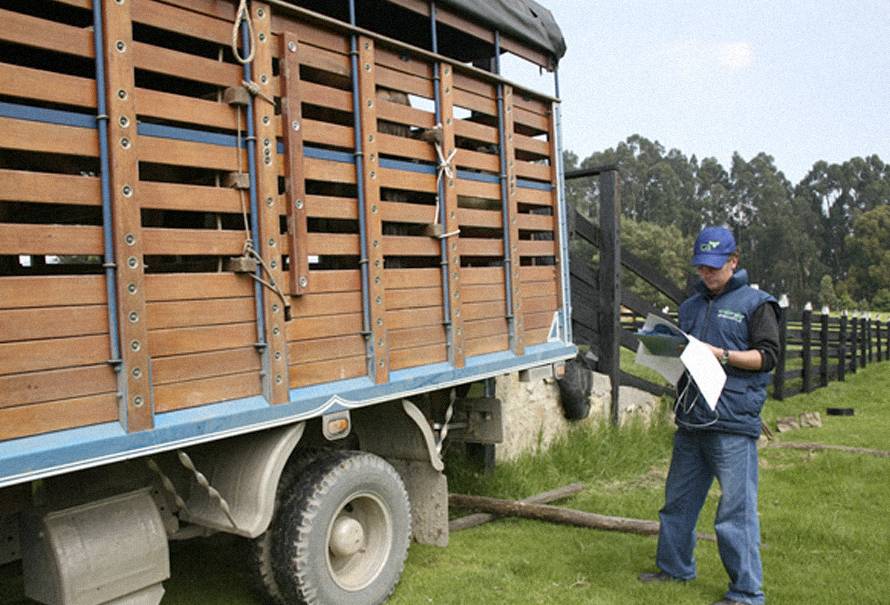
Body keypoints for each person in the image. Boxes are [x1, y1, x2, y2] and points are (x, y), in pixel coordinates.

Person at [639, 226, 780, 605]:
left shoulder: (757, 304)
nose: (707, 274)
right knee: (677, 503)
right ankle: (674, 570)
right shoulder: (690, 306)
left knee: (735, 512)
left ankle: (747, 592)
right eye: (702, 267)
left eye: (715, 267)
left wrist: (723, 355)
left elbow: (767, 357)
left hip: (733, 423)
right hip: (691, 419)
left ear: (734, 262)